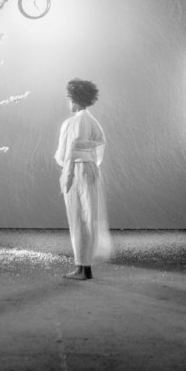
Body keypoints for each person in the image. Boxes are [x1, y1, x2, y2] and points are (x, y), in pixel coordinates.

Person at [54, 78, 111, 280]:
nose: (68, 102)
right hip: (91, 170)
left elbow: (64, 153)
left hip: (76, 171)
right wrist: (90, 160)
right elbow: (99, 147)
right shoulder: (93, 122)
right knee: (89, 216)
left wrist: (68, 166)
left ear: (75, 99)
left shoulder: (72, 123)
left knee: (78, 217)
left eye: (69, 98)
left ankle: (82, 267)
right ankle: (85, 267)